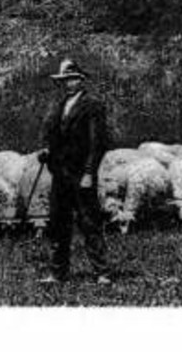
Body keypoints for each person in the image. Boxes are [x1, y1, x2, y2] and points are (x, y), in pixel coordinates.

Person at [34, 58, 112, 284]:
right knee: (59, 222)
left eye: (71, 79)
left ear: (80, 80)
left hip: (80, 173)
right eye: (64, 80)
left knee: (89, 222)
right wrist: (46, 149)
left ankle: (102, 272)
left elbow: (98, 143)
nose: (67, 84)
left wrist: (89, 173)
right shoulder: (59, 106)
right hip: (60, 172)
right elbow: (53, 134)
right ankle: (58, 272)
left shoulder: (92, 105)